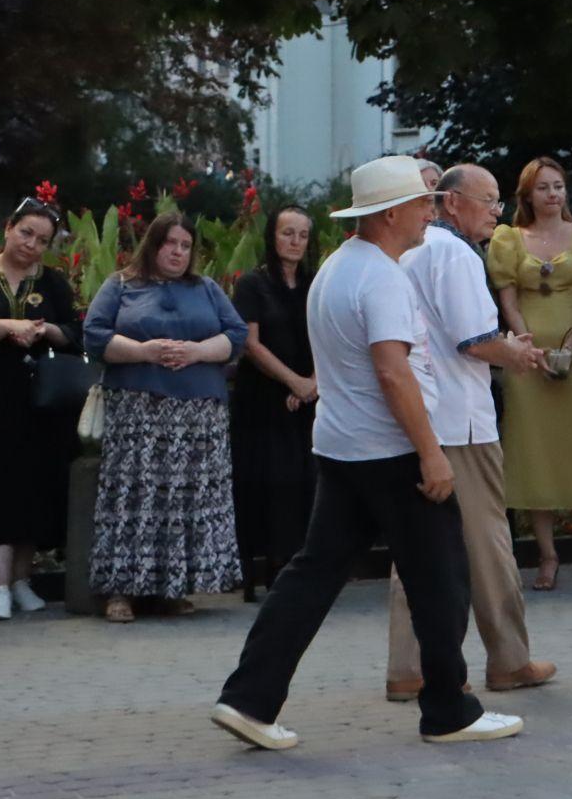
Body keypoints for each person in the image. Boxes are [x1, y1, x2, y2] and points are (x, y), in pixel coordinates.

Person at [214, 155, 521, 748]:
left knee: (313, 573)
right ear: (389, 214)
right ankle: (448, 709)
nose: (430, 213)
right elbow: (394, 372)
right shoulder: (380, 277)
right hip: (390, 453)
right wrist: (430, 454)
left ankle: (248, 698)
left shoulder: (335, 268)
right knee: (443, 579)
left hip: (341, 447)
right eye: (421, 203)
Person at [388, 163, 556, 699]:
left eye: (498, 202)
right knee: (488, 546)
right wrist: (517, 351)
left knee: (416, 549)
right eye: (488, 201)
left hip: (422, 417)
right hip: (461, 421)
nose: (496, 212)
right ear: (451, 202)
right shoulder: (454, 253)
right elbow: (475, 340)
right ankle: (509, 659)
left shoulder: (410, 251)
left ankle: (407, 670)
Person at [83, 213, 248, 622]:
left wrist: (196, 352)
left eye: (185, 245)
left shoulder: (206, 288)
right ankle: (120, 592)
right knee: (133, 498)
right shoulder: (122, 285)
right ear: (153, 244)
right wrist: (144, 351)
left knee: (185, 500)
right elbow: (94, 334)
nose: (177, 252)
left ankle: (171, 590)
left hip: (198, 415)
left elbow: (236, 334)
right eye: (169, 243)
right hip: (138, 411)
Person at [0, 198, 82, 622]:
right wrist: (4, 327)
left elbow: (78, 333)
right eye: (26, 233)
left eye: (42, 240)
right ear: (8, 227)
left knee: (35, 487)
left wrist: (44, 331)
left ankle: (24, 580)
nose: (32, 245)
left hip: (42, 400)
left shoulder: (55, 282)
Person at [489, 157, 572, 590]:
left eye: (558, 186)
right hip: (526, 357)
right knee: (533, 454)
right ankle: (548, 555)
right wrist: (527, 345)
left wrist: (569, 346)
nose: (552, 195)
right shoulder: (508, 239)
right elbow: (508, 300)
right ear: (527, 195)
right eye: (543, 188)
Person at [231, 206, 319, 597]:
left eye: (302, 234)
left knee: (306, 482)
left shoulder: (316, 283)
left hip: (309, 398)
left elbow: (331, 335)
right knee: (267, 484)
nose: (295, 241)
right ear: (272, 236)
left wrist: (312, 384)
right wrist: (293, 383)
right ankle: (260, 568)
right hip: (264, 398)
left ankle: (299, 565)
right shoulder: (252, 284)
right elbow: (250, 344)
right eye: (287, 233)